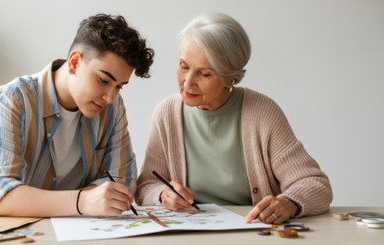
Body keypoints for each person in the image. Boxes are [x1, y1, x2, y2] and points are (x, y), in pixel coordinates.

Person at [135, 13, 332, 224]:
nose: (188, 82)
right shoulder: (166, 113)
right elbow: (145, 187)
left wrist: (289, 202)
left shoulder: (262, 112)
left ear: (230, 77)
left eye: (205, 74)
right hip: (189, 232)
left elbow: (316, 184)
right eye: (184, 66)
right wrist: (163, 194)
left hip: (250, 230)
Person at [0, 14, 154, 217]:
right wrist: (82, 202)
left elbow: (123, 182)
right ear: (75, 62)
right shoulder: (12, 100)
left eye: (119, 86)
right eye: (103, 80)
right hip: (15, 232)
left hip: (82, 231)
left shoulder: (113, 108)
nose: (110, 97)